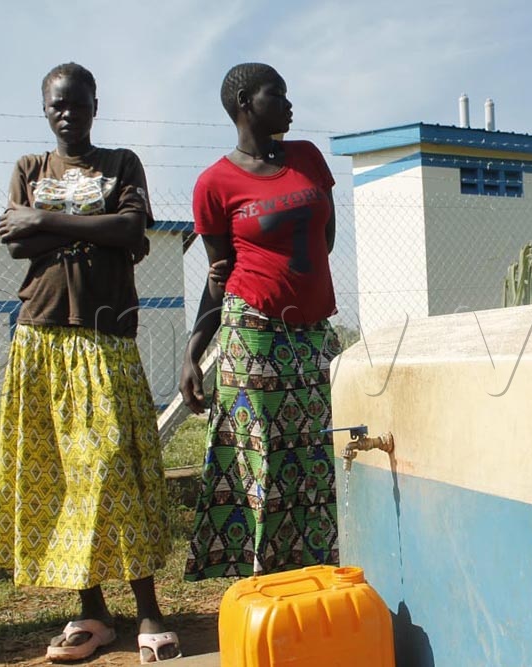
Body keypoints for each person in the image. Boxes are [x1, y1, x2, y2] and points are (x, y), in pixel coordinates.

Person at [0, 62, 181, 664]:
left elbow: (131, 231)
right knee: (65, 477)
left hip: (106, 337)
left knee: (115, 471)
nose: (67, 113)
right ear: (45, 110)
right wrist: (93, 229)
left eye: (77, 103)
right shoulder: (29, 168)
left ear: (96, 105)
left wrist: (46, 219)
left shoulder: (122, 164)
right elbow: (15, 243)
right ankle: (92, 613)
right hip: (42, 336)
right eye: (56, 106)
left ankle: (149, 609)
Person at [180, 62, 341, 581]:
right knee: (263, 458)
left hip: (314, 329)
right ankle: (265, 580)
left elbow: (326, 238)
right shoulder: (214, 183)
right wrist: (192, 354)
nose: (290, 102)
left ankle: (322, 572)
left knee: (322, 450)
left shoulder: (309, 158)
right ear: (246, 101)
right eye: (279, 93)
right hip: (254, 332)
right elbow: (218, 274)